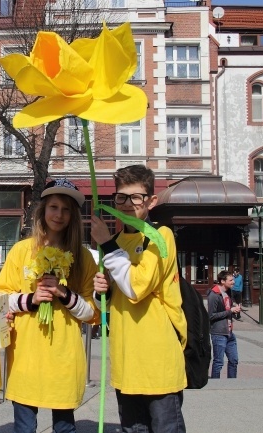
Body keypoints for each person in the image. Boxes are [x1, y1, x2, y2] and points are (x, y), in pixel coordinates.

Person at [0, 179, 98, 433]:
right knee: (25, 427)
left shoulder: (83, 257)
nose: (59, 215)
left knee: (64, 427)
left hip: (63, 354)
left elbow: (91, 313)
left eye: (65, 210)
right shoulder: (21, 251)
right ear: (43, 210)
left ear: (73, 216)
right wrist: (31, 300)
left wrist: (64, 294)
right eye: (53, 207)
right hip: (26, 355)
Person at [91, 165, 187, 433]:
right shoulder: (116, 240)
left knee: (166, 428)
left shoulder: (160, 237)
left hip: (157, 359)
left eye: (136, 197)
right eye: (121, 197)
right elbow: (108, 305)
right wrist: (104, 292)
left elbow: (136, 287)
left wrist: (107, 246)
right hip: (126, 358)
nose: (127, 204)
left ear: (151, 201)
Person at [207, 270, 241, 379]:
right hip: (218, 333)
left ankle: (232, 383)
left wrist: (235, 310)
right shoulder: (214, 295)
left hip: (229, 332)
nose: (233, 282)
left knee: (234, 360)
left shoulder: (228, 292)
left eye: (233, 280)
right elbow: (211, 316)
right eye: (230, 280)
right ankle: (215, 385)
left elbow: (228, 309)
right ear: (222, 281)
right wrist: (230, 311)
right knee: (218, 362)